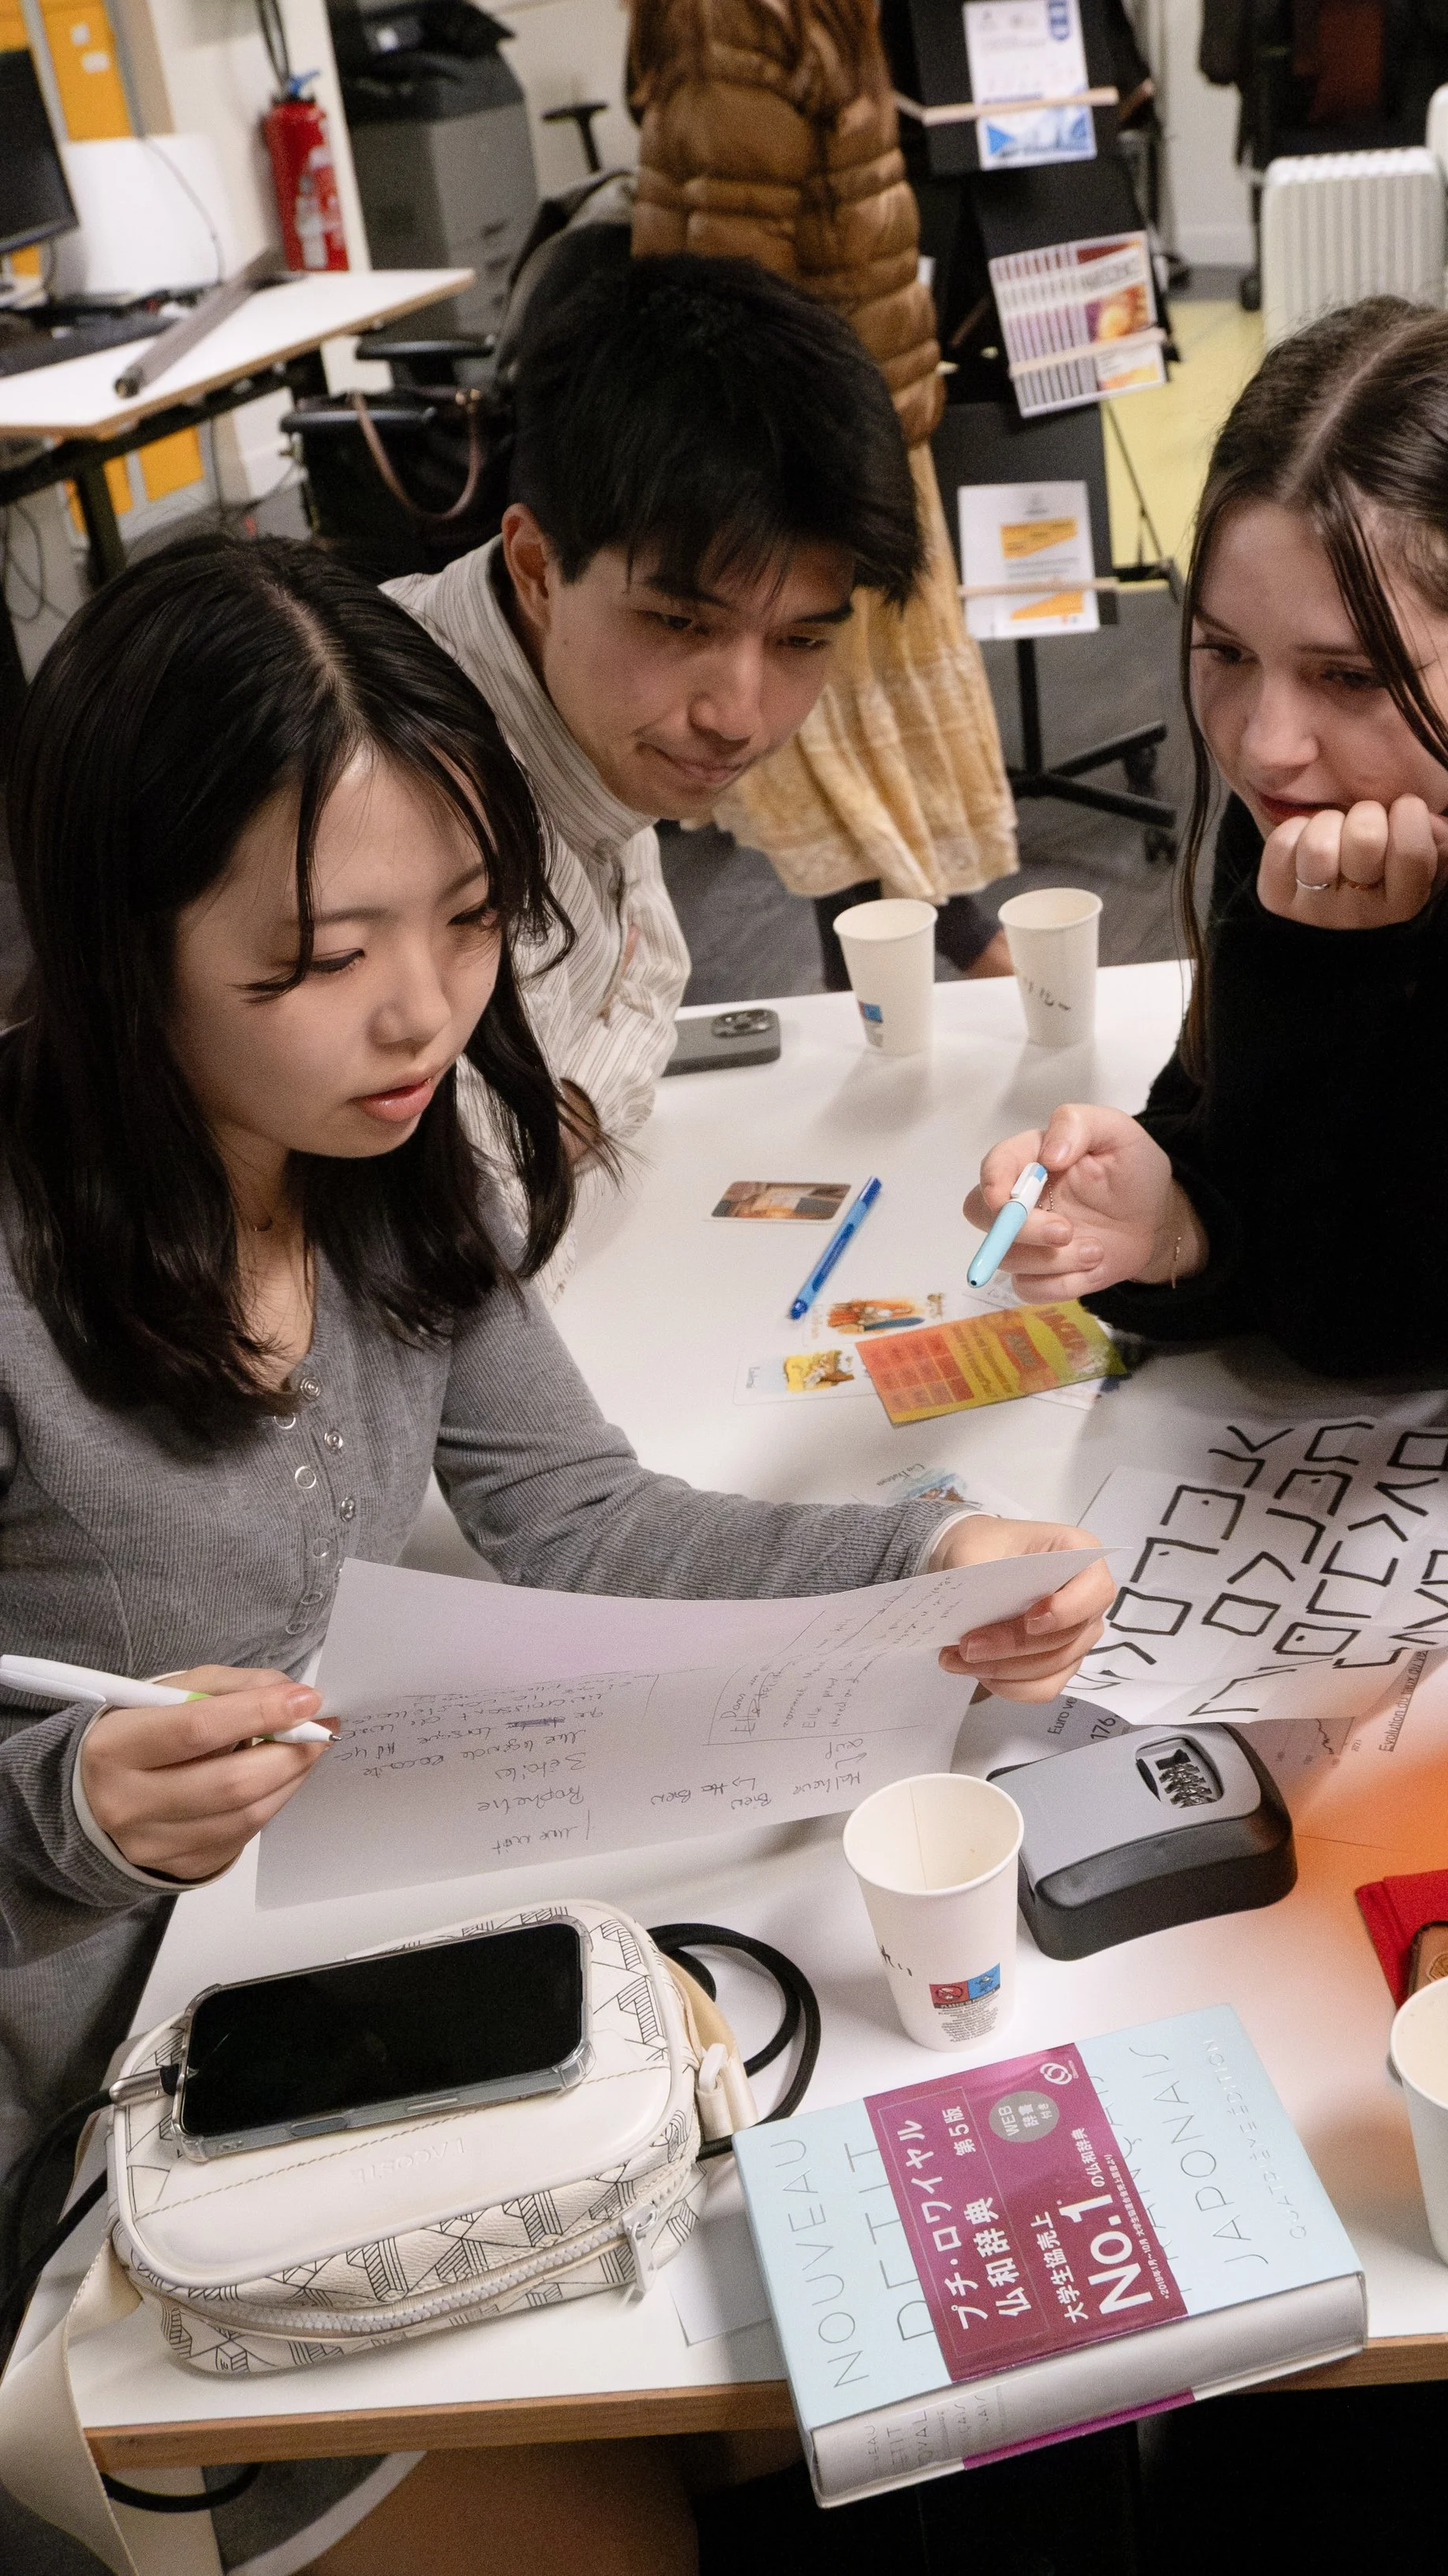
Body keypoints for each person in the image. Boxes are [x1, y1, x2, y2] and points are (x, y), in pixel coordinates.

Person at [0, 536, 1109, 2574]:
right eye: (320, 953)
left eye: (463, 916)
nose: (419, 1006)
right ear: (118, 941)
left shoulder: (385, 1171)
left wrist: (931, 1547)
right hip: (104, 2146)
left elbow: (584, 1513)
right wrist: (64, 1809)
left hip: (338, 1977)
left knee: (868, 2340)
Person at [963, 297, 1448, 1378]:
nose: (1268, 748)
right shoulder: (1309, 807)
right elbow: (1237, 1164)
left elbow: (1371, 1317)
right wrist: (1171, 1225)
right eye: (1224, 652)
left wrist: (1325, 969)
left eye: (1350, 676)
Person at [388, 251, 923, 1166]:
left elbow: (650, 977)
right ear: (534, 567)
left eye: (800, 640)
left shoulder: (585, 703)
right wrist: (565, 1124)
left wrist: (574, 1105)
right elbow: (468, 1227)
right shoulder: (401, 803)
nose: (738, 717)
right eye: (679, 622)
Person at [626, 0, 1022, 988]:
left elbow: (729, 274)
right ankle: (982, 983)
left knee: (838, 777)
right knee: (859, 781)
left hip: (789, 445)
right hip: (852, 420)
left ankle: (961, 1001)